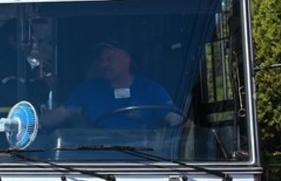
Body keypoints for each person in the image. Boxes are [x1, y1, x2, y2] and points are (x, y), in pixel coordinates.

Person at [42, 38, 181, 129]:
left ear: (127, 59)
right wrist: (27, 124)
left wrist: (194, 132)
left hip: (147, 160)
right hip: (95, 160)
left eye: (110, 59)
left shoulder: (151, 89)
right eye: (102, 60)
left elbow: (177, 121)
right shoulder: (87, 90)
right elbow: (60, 114)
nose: (104, 64)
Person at [0, 20, 52, 108]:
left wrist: (37, 79)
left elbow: (35, 98)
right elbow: (12, 93)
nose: (31, 45)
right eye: (27, 41)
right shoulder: (3, 61)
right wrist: (44, 85)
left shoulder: (18, 61)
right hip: (2, 119)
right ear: (12, 39)